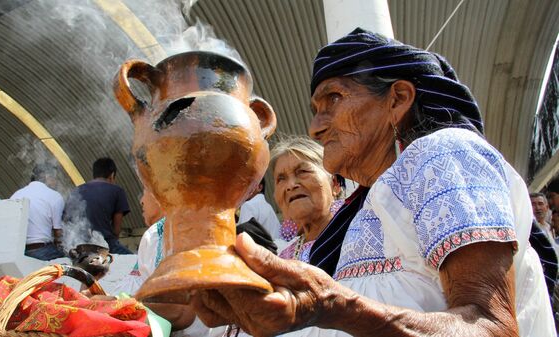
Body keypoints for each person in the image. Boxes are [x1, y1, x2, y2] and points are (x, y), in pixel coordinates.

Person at [191, 27, 554, 336]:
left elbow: (492, 326)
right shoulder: (362, 206)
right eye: (315, 110)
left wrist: (334, 306)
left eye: (333, 98)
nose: (315, 126)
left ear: (397, 99)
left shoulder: (441, 155)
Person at [270, 136, 342, 262]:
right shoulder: (284, 258)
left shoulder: (360, 228)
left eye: (302, 171)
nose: (290, 185)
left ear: (335, 184)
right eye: (281, 179)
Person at [64, 157, 132, 254]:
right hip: (104, 243)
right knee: (133, 260)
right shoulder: (117, 191)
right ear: (112, 175)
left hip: (78, 245)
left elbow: (67, 221)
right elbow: (116, 229)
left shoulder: (76, 191)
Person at [11, 163, 65, 260]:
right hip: (42, 251)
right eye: (54, 178)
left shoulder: (16, 195)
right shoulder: (54, 196)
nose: (56, 182)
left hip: (18, 253)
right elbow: (58, 234)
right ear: (46, 176)